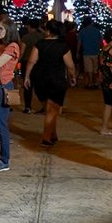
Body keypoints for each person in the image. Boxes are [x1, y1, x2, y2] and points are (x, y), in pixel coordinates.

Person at [24, 19, 76, 147]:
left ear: (49, 30)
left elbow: (31, 61)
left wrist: (26, 77)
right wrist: (73, 76)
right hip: (56, 79)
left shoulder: (39, 44)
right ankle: (46, 138)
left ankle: (53, 134)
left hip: (39, 79)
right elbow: (70, 65)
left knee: (49, 108)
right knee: (52, 110)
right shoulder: (63, 46)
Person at [0, 19, 20, 172]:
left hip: (2, 87)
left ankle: (4, 160)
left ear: (9, 30)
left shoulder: (12, 47)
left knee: (1, 124)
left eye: (1, 28)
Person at [19, 18, 41, 113]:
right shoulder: (43, 36)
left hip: (27, 62)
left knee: (27, 85)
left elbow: (22, 52)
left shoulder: (26, 37)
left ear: (29, 26)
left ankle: (28, 106)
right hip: (40, 63)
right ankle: (43, 104)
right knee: (39, 85)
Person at [77, 17, 102, 89]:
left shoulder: (82, 31)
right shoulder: (97, 31)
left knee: (89, 69)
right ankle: (95, 82)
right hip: (96, 52)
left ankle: (90, 83)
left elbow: (79, 42)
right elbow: (100, 41)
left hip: (86, 52)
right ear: (91, 22)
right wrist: (101, 50)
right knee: (95, 68)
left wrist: (77, 52)